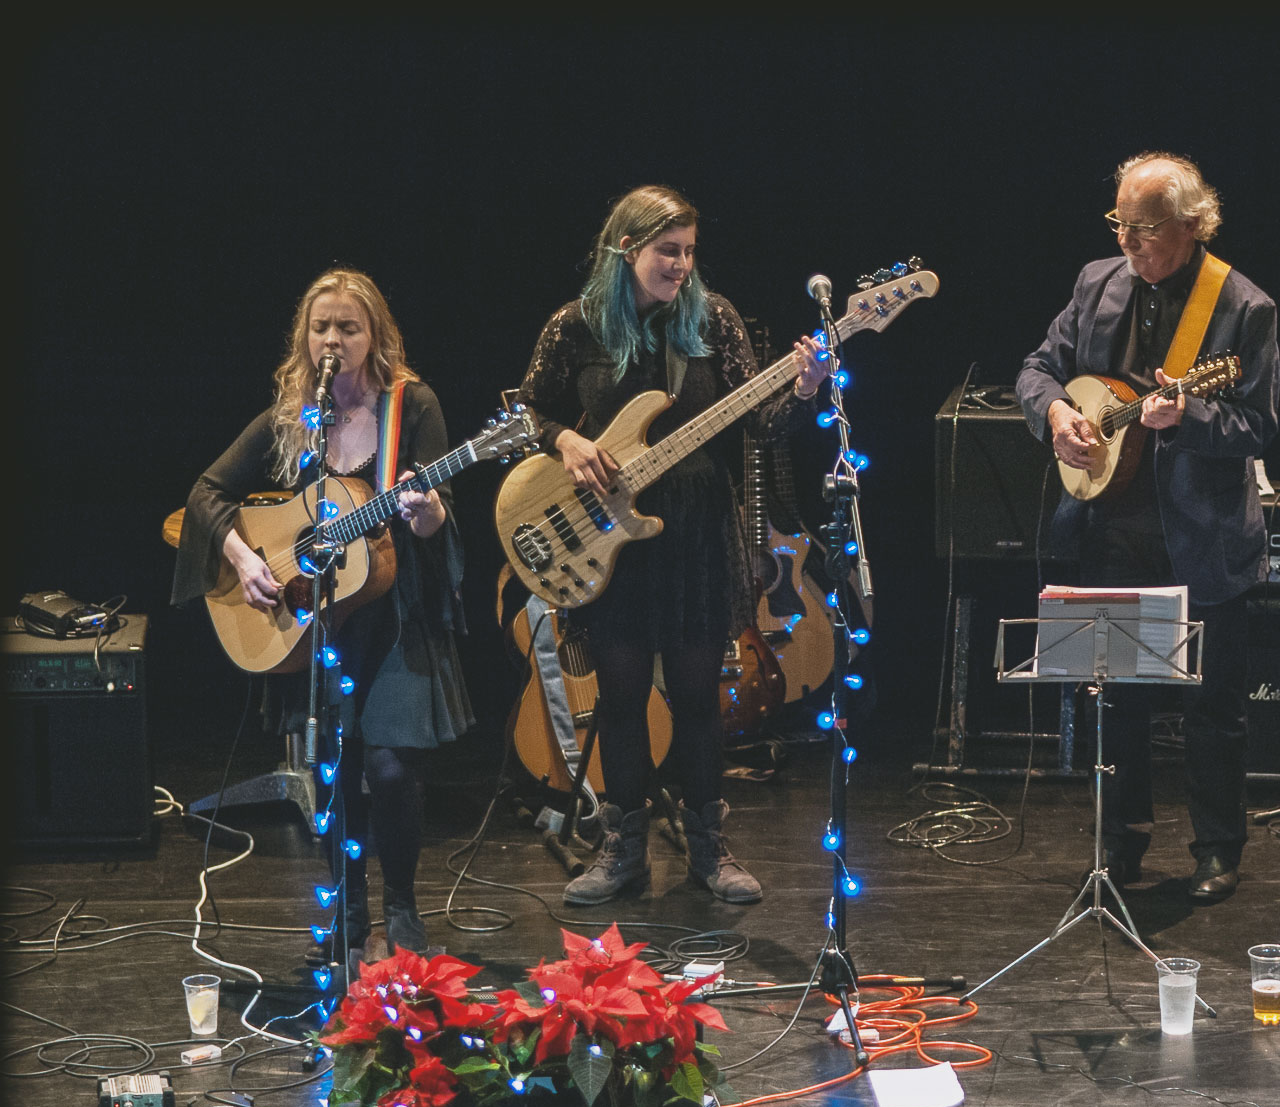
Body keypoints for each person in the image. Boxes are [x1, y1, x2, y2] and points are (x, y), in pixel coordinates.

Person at [517, 184, 830, 906]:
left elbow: (763, 422)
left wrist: (806, 388)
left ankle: (709, 849)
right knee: (622, 698)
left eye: (690, 251)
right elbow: (522, 409)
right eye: (668, 251)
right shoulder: (578, 325)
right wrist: (564, 438)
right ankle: (622, 849)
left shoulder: (713, 320)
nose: (682, 265)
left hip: (694, 534)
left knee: (696, 697)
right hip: (607, 539)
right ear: (626, 249)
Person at [172, 268, 473, 972]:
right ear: (304, 338)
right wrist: (246, 557)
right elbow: (206, 491)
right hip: (320, 622)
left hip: (395, 612)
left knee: (392, 768)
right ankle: (350, 910)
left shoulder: (411, 404)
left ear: (375, 336)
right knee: (334, 769)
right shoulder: (294, 416)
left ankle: (399, 904)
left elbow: (438, 514)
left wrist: (426, 511)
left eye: (349, 327)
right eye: (321, 327)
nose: (333, 340)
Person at [1017, 152, 1280, 904]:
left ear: (1194, 227)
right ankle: (1118, 842)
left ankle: (1217, 849)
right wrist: (1059, 415)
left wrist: (1187, 412)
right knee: (1116, 696)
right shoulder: (1097, 282)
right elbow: (1037, 369)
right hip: (1107, 528)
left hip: (1201, 536)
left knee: (1212, 708)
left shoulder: (1243, 306)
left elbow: (1257, 424)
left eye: (1145, 229)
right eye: (1121, 224)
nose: (1129, 242)